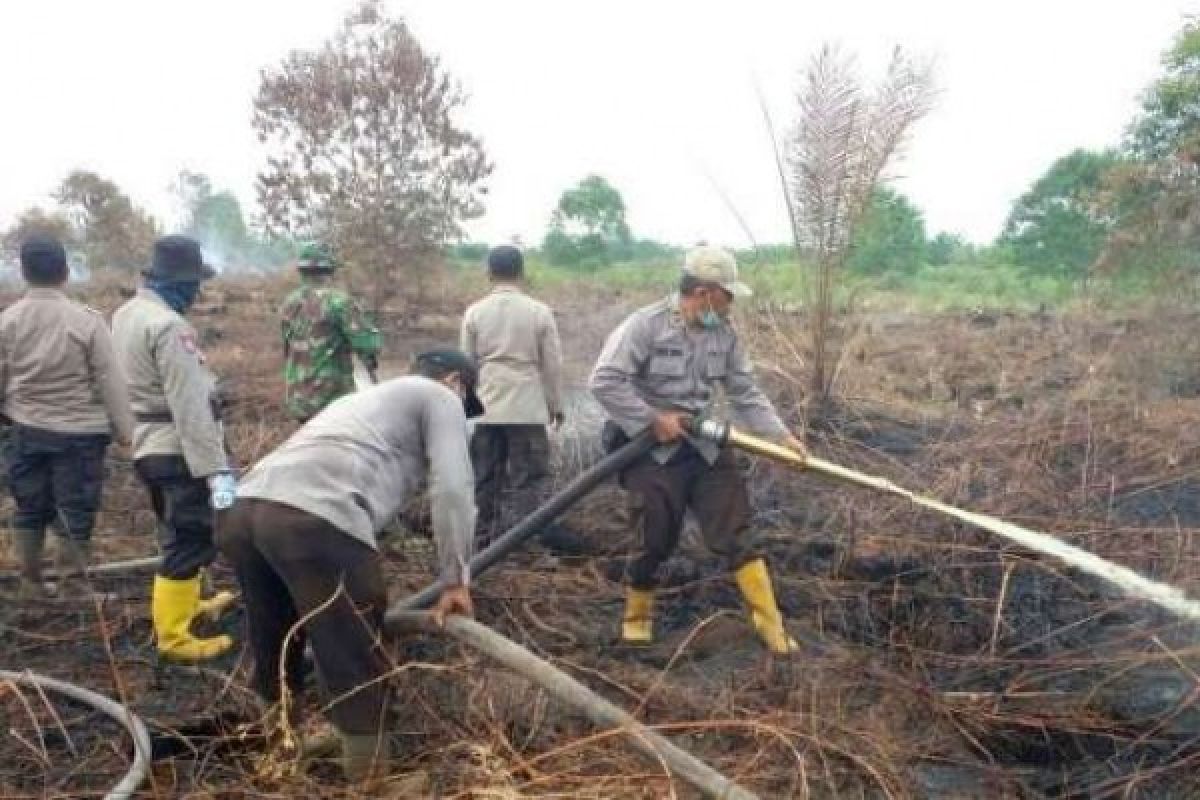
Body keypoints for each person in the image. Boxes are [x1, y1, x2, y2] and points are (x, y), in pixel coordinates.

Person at [217, 348, 479, 785]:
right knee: (356, 648)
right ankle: (370, 781)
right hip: (311, 519)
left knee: (276, 639)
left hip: (244, 512)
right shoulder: (443, 397)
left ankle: (281, 755)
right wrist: (455, 579)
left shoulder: (361, 402)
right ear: (455, 381)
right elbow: (454, 488)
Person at [589, 245, 806, 654]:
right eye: (728, 294)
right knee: (653, 534)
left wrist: (780, 437)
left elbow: (744, 391)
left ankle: (771, 625)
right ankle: (637, 620)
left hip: (704, 445)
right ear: (705, 291)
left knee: (736, 528)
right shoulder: (645, 326)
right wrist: (653, 417)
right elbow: (604, 381)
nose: (732, 303)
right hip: (649, 448)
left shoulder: (725, 334)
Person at [112, 235, 237, 662]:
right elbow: (191, 408)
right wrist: (217, 470)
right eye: (193, 283)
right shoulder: (169, 327)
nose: (197, 292)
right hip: (177, 449)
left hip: (149, 444)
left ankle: (187, 605)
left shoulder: (127, 314)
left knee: (177, 528)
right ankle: (174, 637)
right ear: (179, 282)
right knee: (193, 534)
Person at [0, 235, 134, 598]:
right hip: (79, 433)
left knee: (29, 506)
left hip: (25, 429)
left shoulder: (6, 322)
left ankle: (30, 583)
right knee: (74, 508)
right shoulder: (87, 322)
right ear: (64, 272)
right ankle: (73, 585)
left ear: (24, 272)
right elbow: (111, 381)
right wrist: (127, 432)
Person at [461, 245, 566, 545]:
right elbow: (553, 364)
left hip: (486, 406)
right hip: (527, 406)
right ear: (521, 273)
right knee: (530, 479)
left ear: (489, 273)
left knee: (483, 477)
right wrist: (556, 405)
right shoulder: (538, 311)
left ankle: (479, 541)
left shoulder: (475, 312)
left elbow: (465, 366)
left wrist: (468, 408)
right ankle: (527, 543)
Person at [280, 242, 382, 424]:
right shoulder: (339, 302)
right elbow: (367, 344)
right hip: (332, 400)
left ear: (302, 271)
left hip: (298, 398)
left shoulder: (289, 303)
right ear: (330, 270)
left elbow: (287, 346)